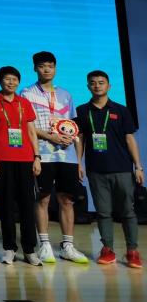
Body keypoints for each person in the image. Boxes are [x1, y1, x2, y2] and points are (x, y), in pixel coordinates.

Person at [20, 51, 89, 264]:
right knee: (43, 199)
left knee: (67, 200)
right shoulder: (27, 93)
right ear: (35, 69)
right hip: (43, 155)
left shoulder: (66, 95)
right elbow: (27, 126)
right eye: (42, 66)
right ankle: (45, 245)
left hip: (67, 156)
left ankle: (68, 246)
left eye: (50, 66)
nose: (46, 69)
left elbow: (75, 129)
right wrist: (51, 137)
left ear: (55, 68)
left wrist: (78, 161)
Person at [76, 70, 143, 268]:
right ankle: (107, 249)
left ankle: (132, 251)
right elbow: (80, 139)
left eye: (101, 82)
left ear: (109, 86)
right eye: (93, 82)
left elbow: (130, 139)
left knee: (128, 211)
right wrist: (78, 163)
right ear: (88, 86)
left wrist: (138, 166)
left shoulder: (121, 110)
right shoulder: (82, 110)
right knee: (103, 212)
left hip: (122, 168)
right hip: (96, 170)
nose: (97, 85)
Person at [0, 65, 41, 265]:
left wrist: (37, 156)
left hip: (25, 159)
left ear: (19, 82)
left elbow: (31, 131)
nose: (11, 82)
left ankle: (30, 250)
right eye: (7, 79)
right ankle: (9, 248)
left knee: (27, 206)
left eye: (14, 79)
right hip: (2, 160)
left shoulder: (24, 103)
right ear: (0, 81)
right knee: (6, 206)